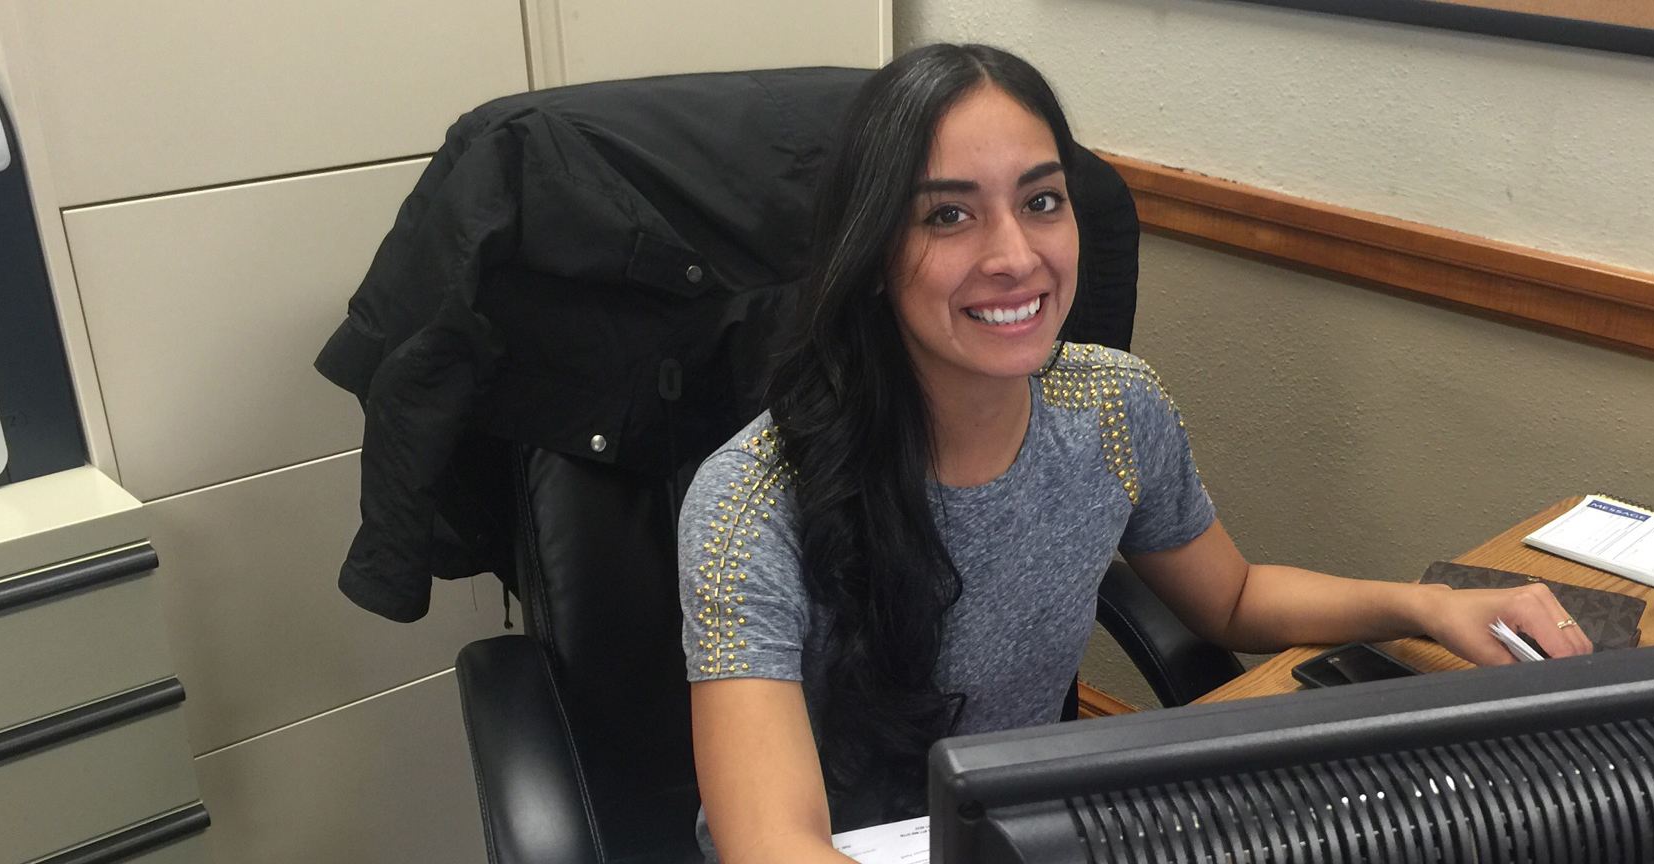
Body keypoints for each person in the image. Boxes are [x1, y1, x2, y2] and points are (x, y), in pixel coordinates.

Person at [678, 43, 1591, 864]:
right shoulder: (749, 504)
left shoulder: (1113, 405)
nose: (1014, 256)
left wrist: (1430, 606)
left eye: (1042, 202)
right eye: (948, 217)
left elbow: (1230, 597)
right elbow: (771, 848)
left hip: (1018, 831)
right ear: (873, 252)